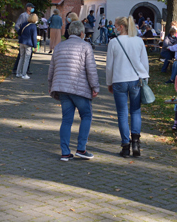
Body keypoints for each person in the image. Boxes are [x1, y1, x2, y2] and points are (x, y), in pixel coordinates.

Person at [48, 20, 100, 161]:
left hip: (62, 89)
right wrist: (95, 87)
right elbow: (91, 69)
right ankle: (81, 149)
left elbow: (52, 68)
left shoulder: (59, 47)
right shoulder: (85, 46)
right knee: (86, 116)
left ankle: (65, 152)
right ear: (82, 33)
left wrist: (50, 85)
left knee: (66, 120)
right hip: (79, 89)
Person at [106, 15, 149, 158]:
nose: (115, 28)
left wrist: (109, 82)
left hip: (119, 80)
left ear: (121, 27)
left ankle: (125, 145)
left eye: (116, 26)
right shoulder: (138, 41)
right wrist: (145, 77)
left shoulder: (114, 42)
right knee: (136, 111)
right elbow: (144, 62)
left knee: (122, 113)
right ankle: (136, 143)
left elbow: (109, 66)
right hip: (136, 79)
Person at [12, 3, 35, 76]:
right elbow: (17, 25)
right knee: (21, 55)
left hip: (29, 39)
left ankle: (26, 69)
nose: (32, 9)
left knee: (29, 54)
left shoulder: (31, 16)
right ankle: (15, 69)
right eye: (31, 7)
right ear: (28, 8)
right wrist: (20, 33)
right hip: (24, 38)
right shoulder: (23, 15)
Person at [17, 14, 39, 79]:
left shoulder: (24, 24)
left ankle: (18, 73)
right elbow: (34, 37)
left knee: (21, 57)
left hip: (21, 42)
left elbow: (19, 32)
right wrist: (35, 46)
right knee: (27, 59)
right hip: (28, 44)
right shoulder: (33, 26)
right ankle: (24, 74)